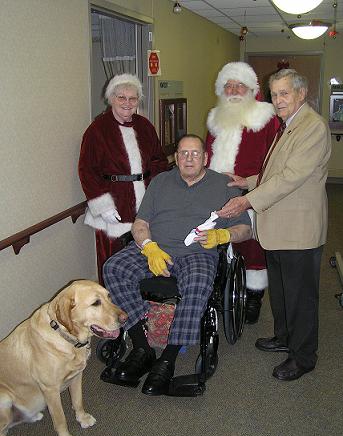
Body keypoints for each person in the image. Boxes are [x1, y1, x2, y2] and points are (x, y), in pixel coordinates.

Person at [103, 134, 252, 396]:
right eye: (183, 153)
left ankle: (168, 359)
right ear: (176, 158)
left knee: (196, 283)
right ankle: (141, 347)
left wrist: (223, 235)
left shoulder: (224, 186)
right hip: (156, 248)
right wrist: (148, 246)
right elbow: (140, 224)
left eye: (195, 153)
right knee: (113, 267)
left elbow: (245, 230)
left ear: (205, 158)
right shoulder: (161, 182)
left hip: (197, 253)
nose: (189, 158)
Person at [217, 69, 331, 381]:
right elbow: (273, 171)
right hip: (278, 227)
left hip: (299, 230)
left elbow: (290, 177)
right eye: (274, 94)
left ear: (301, 93)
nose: (278, 100)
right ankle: (284, 337)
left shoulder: (313, 128)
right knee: (281, 292)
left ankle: (304, 356)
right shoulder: (287, 126)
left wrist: (247, 199)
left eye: (284, 93)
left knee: (300, 297)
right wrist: (248, 180)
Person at [206, 61, 279, 325]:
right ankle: (223, 287)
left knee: (253, 245)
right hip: (217, 192)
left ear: (251, 89)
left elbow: (276, 162)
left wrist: (250, 183)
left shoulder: (266, 117)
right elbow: (206, 155)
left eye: (240, 85)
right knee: (222, 241)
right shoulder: (215, 117)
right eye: (229, 85)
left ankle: (253, 295)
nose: (234, 90)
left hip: (254, 191)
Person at [78, 73, 168, 284]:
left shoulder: (145, 126)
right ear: (111, 98)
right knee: (112, 261)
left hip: (146, 202)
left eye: (133, 98)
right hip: (113, 206)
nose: (127, 103)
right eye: (121, 98)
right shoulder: (97, 130)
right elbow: (87, 170)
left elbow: (158, 160)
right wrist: (103, 206)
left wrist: (157, 191)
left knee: (145, 254)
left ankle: (140, 304)